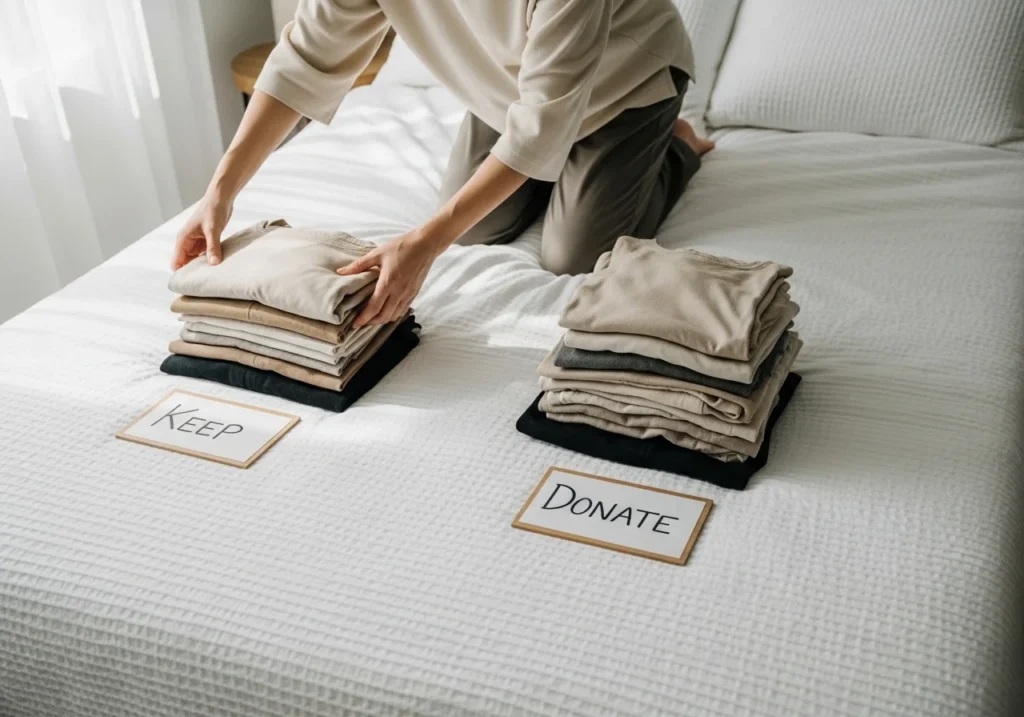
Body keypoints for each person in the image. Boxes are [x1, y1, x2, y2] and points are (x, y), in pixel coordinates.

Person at [172, 0, 715, 328]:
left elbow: (543, 122)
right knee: (474, 228)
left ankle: (678, 147)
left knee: (573, 256)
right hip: (506, 94)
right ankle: (555, 172)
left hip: (625, 83)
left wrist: (424, 242)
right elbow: (305, 60)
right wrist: (220, 191)